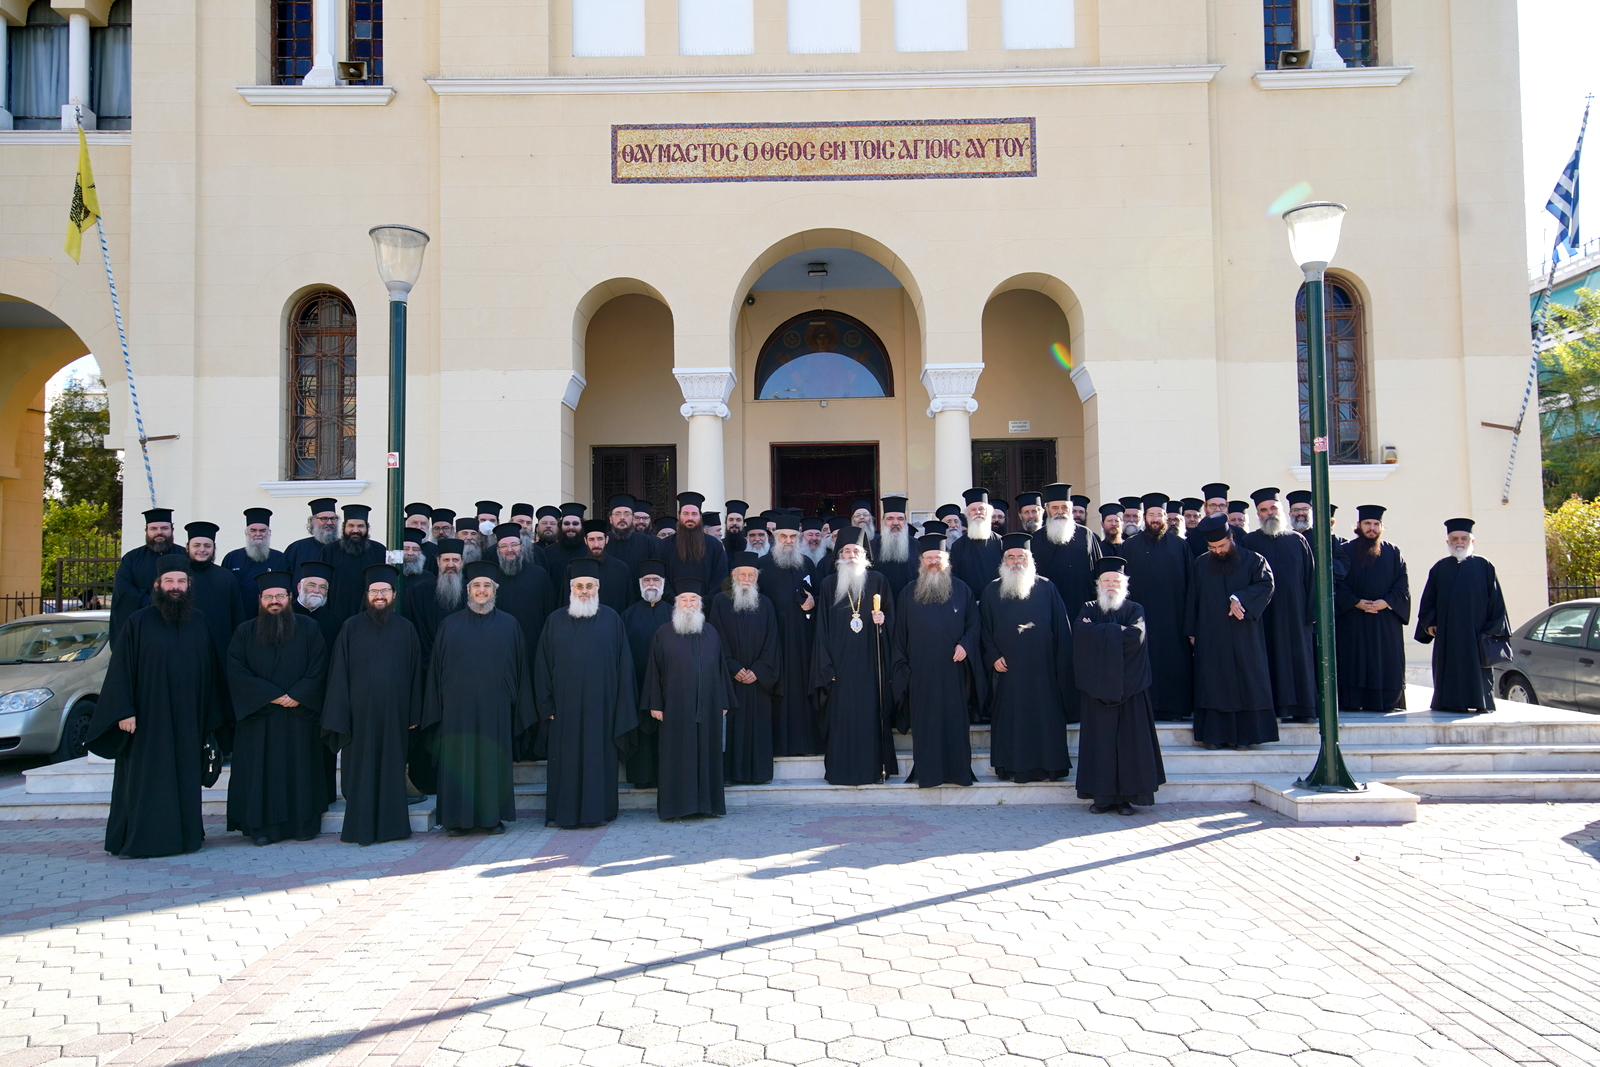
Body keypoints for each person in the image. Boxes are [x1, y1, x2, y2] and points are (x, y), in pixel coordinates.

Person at [87, 557, 226, 858]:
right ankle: (144, 840)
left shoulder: (199, 621)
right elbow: (121, 669)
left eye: (181, 582)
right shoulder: (138, 622)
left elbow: (211, 671)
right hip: (147, 721)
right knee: (146, 779)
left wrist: (210, 721)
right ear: (157, 585)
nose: (175, 587)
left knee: (186, 777)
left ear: (189, 586)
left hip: (189, 720)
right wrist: (123, 710)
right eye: (169, 582)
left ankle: (186, 837)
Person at [424, 561, 537, 836]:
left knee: (491, 762)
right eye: (477, 586)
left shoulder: (510, 624)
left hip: (495, 708)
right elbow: (436, 670)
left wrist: (515, 702)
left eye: (487, 586)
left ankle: (492, 819)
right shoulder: (449, 624)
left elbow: (520, 668)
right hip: (456, 709)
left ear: (495, 591)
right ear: (468, 590)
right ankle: (455, 821)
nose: (482, 590)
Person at [225, 570, 330, 845]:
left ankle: (303, 826)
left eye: (280, 596)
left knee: (301, 772)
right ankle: (262, 829)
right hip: (259, 719)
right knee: (261, 775)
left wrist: (297, 695)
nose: (274, 601)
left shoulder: (309, 628)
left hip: (299, 716)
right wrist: (273, 695)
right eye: (268, 596)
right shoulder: (245, 631)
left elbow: (319, 667)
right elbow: (236, 671)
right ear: (260, 599)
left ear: (290, 598)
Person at [323, 565, 425, 845]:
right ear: (367, 594)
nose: (380, 596)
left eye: (385, 591)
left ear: (394, 594)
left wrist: (414, 712)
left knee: (393, 770)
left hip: (395, 715)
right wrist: (340, 714)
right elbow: (339, 673)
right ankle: (360, 829)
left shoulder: (406, 629)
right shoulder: (350, 627)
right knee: (360, 771)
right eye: (374, 591)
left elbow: (416, 673)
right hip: (358, 716)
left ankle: (394, 828)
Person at [534, 559, 637, 829]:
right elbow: (543, 666)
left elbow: (623, 665)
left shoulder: (612, 619)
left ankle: (599, 811)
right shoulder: (554, 620)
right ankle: (563, 813)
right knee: (564, 762)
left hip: (602, 708)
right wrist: (547, 705)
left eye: (589, 585)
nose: (584, 590)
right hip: (564, 709)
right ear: (570, 589)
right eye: (579, 586)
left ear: (598, 588)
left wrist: (620, 705)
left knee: (598, 759)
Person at [1072, 558, 1165, 814]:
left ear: (1124, 584)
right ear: (1098, 584)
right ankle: (1101, 798)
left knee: (1129, 746)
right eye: (1106, 581)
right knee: (1099, 744)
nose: (1111, 585)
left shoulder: (1135, 608)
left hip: (1130, 688)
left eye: (1116, 581)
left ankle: (1126, 799)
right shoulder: (1088, 608)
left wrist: (1100, 632)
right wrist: (1116, 631)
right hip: (1097, 689)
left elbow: (1135, 637)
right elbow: (1080, 635)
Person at [890, 530, 982, 787]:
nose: (933, 562)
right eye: (928, 558)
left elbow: (974, 626)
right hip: (920, 672)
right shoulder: (908, 593)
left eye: (937, 557)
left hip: (953, 672)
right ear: (921, 561)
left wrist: (965, 644)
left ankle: (957, 772)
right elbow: (899, 635)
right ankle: (928, 773)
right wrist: (903, 669)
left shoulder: (962, 590)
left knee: (954, 723)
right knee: (925, 725)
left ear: (946, 560)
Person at [980, 533, 1075, 782]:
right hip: (1008, 670)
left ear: (1029, 559)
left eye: (1021, 556)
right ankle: (1012, 767)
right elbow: (983, 630)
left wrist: (1059, 664)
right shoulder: (992, 590)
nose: (1016, 561)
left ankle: (1050, 767)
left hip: (1043, 670)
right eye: (1010, 557)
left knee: (1045, 718)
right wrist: (992, 655)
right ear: (1003, 561)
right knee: (1013, 719)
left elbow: (1062, 630)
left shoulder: (1047, 587)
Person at [810, 527, 897, 785]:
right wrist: (827, 668)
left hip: (871, 665)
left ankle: (873, 771)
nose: (850, 555)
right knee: (842, 720)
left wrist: (884, 620)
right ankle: (840, 771)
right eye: (846, 551)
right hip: (840, 668)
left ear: (864, 555)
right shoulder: (828, 584)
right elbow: (821, 629)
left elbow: (894, 620)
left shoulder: (878, 580)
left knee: (870, 717)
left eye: (855, 551)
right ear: (839, 555)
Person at [643, 577, 734, 820]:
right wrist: (655, 704)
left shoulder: (711, 632)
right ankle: (676, 808)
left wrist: (724, 701)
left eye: (693, 599)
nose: (688, 604)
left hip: (709, 705)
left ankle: (707, 805)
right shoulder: (663, 633)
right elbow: (654, 671)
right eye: (684, 599)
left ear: (700, 604)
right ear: (676, 604)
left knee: (707, 753)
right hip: (674, 708)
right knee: (676, 756)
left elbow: (720, 668)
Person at [1185, 515, 1278, 750]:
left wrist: (1240, 598)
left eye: (1222, 546)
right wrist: (1192, 631)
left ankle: (1245, 737)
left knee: (1245, 682)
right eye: (1213, 547)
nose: (1218, 551)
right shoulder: (1201, 563)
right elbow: (1192, 598)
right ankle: (1214, 736)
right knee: (1213, 684)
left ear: (1231, 538)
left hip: (1244, 633)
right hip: (1210, 634)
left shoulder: (1253, 560)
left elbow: (1266, 585)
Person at [1415, 518, 1509, 713]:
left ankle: (1481, 702)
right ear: (1448, 542)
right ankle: (1449, 702)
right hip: (1448, 635)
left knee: (1477, 671)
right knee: (1449, 670)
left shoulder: (1485, 566)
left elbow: (1497, 602)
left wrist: (1491, 632)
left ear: (1471, 541)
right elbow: (1428, 601)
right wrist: (1430, 622)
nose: (1459, 542)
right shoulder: (1439, 568)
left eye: (1464, 538)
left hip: (1477, 635)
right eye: (1455, 538)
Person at [1243, 488, 1316, 723]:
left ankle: (1303, 708)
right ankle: (1272, 709)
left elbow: (1311, 580)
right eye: (1263, 510)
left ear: (1281, 510)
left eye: (1272, 508)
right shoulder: (1249, 541)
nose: (1269, 513)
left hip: (1297, 615)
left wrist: (1312, 614)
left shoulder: (1298, 540)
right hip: (1265, 616)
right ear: (1258, 514)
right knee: (1268, 659)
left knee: (1299, 660)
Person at [1119, 494, 1193, 722]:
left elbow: (1192, 587)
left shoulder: (1180, 546)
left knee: (1174, 661)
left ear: (1166, 518)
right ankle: (1143, 707)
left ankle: (1174, 709)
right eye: (1151, 515)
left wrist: (1190, 623)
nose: (1156, 519)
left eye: (1160, 515)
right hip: (1140, 621)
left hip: (1174, 619)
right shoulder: (1129, 547)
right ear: (1144, 517)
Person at [707, 553, 779, 785]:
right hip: (730, 681)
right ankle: (730, 775)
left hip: (758, 681)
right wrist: (732, 667)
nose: (746, 579)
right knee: (732, 729)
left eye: (751, 575)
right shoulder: (720, 601)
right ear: (733, 576)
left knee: (757, 729)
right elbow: (716, 638)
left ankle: (758, 774)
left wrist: (757, 670)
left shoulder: (766, 604)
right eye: (742, 575)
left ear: (756, 578)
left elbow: (773, 642)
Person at [1336, 505, 1412, 711]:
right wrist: (1355, 602)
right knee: (1354, 660)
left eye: (1376, 524)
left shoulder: (1393, 552)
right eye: (1367, 523)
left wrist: (1386, 602)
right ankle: (1355, 701)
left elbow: (1402, 584)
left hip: (1384, 619)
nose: (1371, 528)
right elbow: (1337, 584)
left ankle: (1385, 702)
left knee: (1385, 660)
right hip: (1353, 618)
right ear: (1359, 525)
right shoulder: (1345, 550)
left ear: (1381, 527)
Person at [759, 516, 821, 757]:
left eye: (792, 537)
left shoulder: (806, 564)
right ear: (775, 538)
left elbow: (818, 597)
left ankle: (806, 744)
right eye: (783, 536)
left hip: (803, 641)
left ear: (799, 538)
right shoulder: (762, 564)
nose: (788, 541)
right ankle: (777, 745)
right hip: (773, 641)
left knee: (803, 690)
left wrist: (814, 602)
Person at [620, 560, 674, 788]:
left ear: (663, 584)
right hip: (637, 685)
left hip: (669, 687)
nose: (651, 584)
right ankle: (642, 777)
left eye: (656, 580)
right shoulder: (627, 615)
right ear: (640, 584)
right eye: (647, 580)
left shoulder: (675, 613)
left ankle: (667, 777)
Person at [183, 522, 248, 706]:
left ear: (214, 548)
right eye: (197, 545)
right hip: (186, 654)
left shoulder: (226, 577)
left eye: (207, 545)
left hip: (221, 653)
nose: (202, 550)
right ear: (187, 547)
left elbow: (237, 618)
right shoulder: (179, 579)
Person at [110, 507, 183, 638]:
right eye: (153, 529)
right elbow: (123, 590)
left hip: (179, 623)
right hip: (143, 625)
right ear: (146, 531)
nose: (159, 532)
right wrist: (154, 602)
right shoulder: (132, 558)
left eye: (164, 528)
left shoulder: (184, 556)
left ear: (172, 530)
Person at [489, 522, 556, 663]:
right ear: (497, 550)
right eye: (504, 546)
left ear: (522, 547)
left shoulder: (539, 575)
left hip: (534, 644)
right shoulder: (492, 579)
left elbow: (549, 611)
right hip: (500, 645)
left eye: (514, 545)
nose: (509, 550)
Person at [1031, 482, 1099, 609]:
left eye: (1064, 507)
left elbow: (1098, 574)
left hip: (1082, 603)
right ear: (1047, 510)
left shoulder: (1087, 535)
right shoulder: (1035, 539)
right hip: (1047, 604)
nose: (1060, 511)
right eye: (1055, 507)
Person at [322, 504, 387, 625]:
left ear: (367, 528)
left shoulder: (379, 550)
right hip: (336, 611)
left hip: (369, 613)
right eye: (351, 526)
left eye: (360, 526)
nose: (355, 530)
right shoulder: (329, 551)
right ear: (344, 527)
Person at [664, 491, 731, 593]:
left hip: (707, 606)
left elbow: (720, 578)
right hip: (672, 606)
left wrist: (704, 602)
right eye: (685, 513)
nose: (690, 518)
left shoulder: (715, 546)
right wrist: (675, 601)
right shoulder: (665, 545)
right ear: (679, 516)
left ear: (700, 516)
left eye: (694, 514)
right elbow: (661, 578)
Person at [222, 507, 285, 612]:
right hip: (240, 615)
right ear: (246, 533)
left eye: (262, 530)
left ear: (269, 532)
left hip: (272, 615)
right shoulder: (232, 557)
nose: (258, 534)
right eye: (253, 530)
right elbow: (224, 590)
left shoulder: (280, 558)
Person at [950, 488, 1004, 602]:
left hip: (997, 602)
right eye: (973, 510)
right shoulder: (958, 546)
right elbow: (955, 579)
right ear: (967, 514)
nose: (978, 512)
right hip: (969, 603)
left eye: (981, 509)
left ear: (988, 512)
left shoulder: (1001, 542)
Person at [580, 518, 633, 612]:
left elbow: (629, 603)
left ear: (607, 539)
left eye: (600, 539)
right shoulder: (575, 569)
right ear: (585, 541)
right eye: (591, 539)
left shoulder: (621, 569)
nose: (596, 544)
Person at [870, 496, 917, 598]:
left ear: (905, 522)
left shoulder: (918, 546)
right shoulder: (870, 546)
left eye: (900, 519)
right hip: (880, 604)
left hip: (910, 603)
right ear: (883, 521)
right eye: (890, 518)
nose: (895, 523)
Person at [282, 498, 340, 580]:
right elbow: (282, 578)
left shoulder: (344, 548)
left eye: (333, 519)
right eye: (324, 519)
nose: (329, 523)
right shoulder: (297, 548)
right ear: (313, 521)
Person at [292, 561, 343, 650]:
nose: (316, 591)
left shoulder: (333, 620)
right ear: (299, 587)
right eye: (312, 585)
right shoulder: (283, 614)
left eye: (322, 587)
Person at [606, 494, 660, 573]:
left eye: (627, 514)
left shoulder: (646, 541)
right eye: (617, 514)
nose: (622, 517)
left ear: (632, 518)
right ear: (610, 519)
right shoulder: (603, 541)